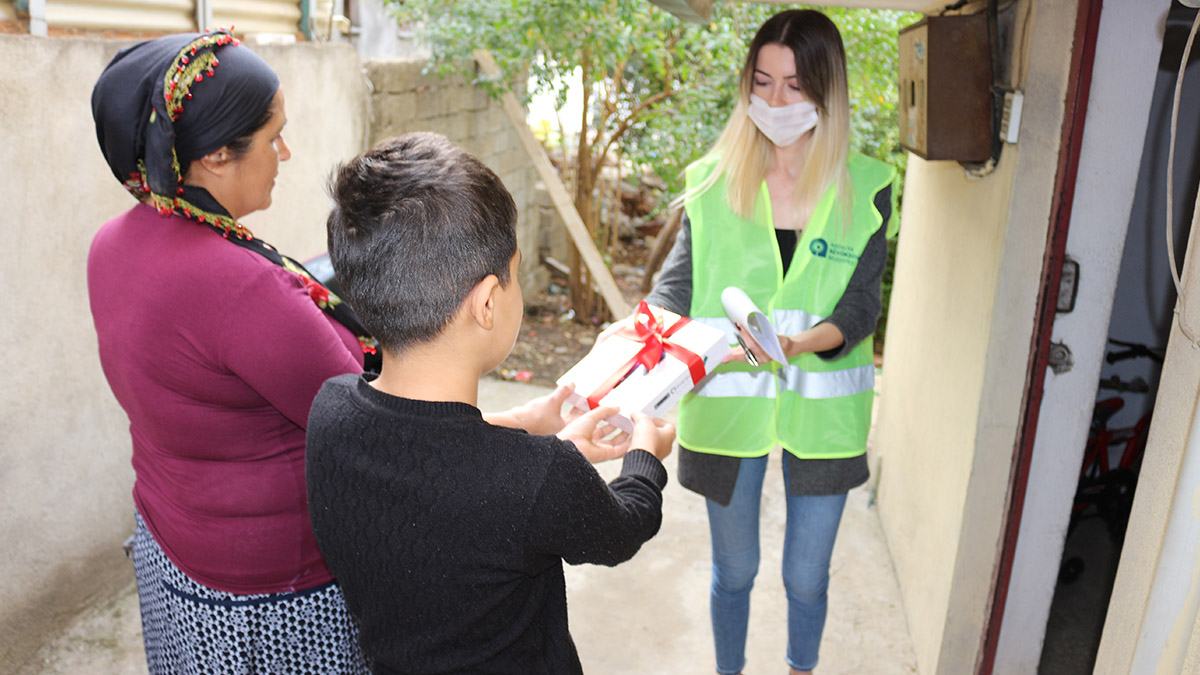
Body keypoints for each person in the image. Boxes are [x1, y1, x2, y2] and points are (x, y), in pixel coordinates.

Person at [88, 31, 591, 674]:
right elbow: (402, 440)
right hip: (271, 600)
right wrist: (536, 426)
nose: (285, 153)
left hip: (175, 551)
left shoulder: (116, 242)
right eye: (272, 137)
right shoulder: (243, 290)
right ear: (214, 155)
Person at [306, 131, 676, 674]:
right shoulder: (538, 479)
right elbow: (623, 530)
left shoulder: (329, 410)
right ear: (486, 302)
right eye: (517, 274)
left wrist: (526, 425)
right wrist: (645, 457)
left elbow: (425, 454)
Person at [642, 10, 899, 675]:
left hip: (824, 415)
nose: (775, 101)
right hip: (729, 410)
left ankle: (799, 667)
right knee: (735, 571)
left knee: (806, 578)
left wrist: (800, 341)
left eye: (794, 85)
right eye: (763, 82)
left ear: (827, 91)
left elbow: (862, 303)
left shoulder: (866, 187)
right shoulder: (711, 179)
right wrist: (637, 340)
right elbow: (673, 289)